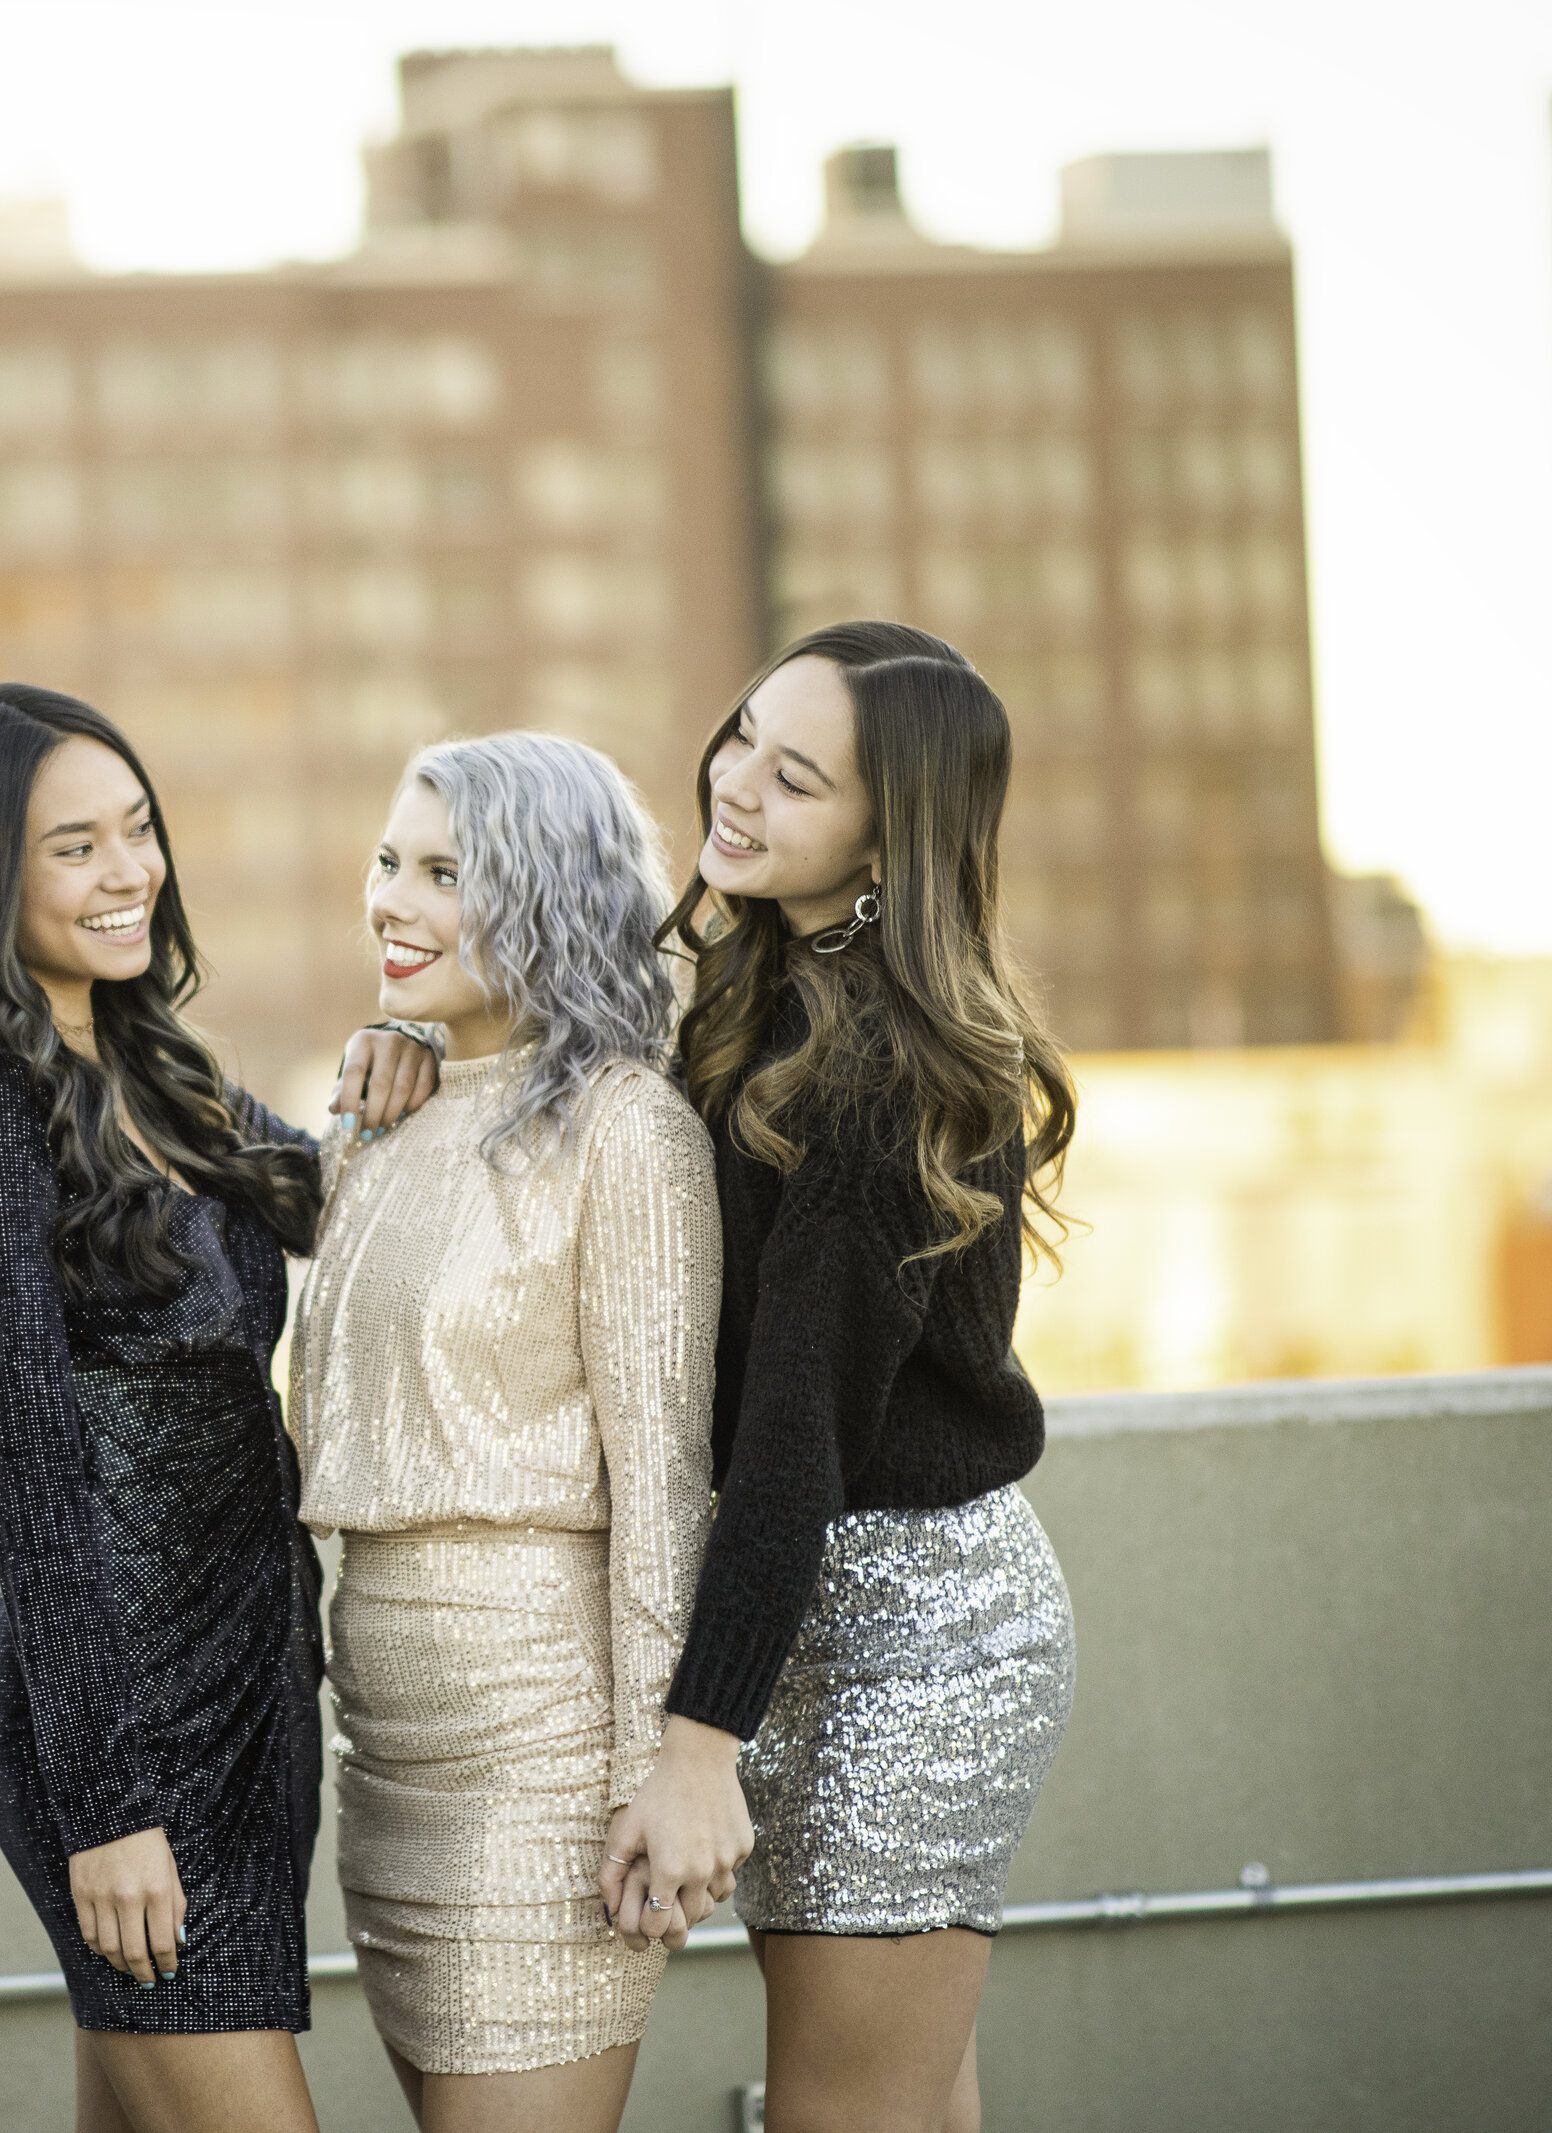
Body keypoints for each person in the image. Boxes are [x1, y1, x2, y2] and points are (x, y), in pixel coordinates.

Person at [0, 683, 431, 2133]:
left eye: (137, 829)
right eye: (76, 846)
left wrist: (411, 1049)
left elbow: (353, 1195)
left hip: (251, 1697)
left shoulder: (157, 1066)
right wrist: (108, 1802)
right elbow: (30, 1464)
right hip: (120, 1737)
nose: (130, 869)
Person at [608, 623, 1079, 2133]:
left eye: (794, 776)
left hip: (921, 1640)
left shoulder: (883, 1074)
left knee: (842, 2109)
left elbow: (794, 1438)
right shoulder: (754, 990)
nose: (735, 783)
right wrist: (411, 1035)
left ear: (889, 844)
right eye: (742, 732)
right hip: (799, 1612)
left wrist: (695, 1751)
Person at [287, 734, 716, 2133]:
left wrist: (654, 1769)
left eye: (444, 873)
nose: (392, 901)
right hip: (386, 1748)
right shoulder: (381, 1113)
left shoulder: (628, 1128)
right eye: (389, 862)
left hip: (538, 1746)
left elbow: (664, 1477)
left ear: (543, 893)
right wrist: (393, 1057)